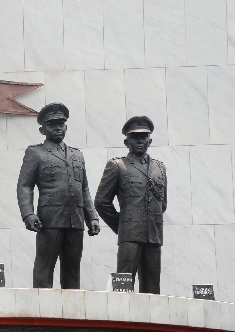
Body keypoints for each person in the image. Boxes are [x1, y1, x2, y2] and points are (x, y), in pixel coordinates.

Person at [16, 102, 100, 289]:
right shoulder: (35, 153)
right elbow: (24, 185)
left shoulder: (77, 155)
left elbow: (84, 188)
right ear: (42, 129)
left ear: (66, 127)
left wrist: (92, 216)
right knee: (44, 267)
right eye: (52, 125)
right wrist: (28, 214)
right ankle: (41, 311)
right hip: (49, 219)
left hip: (76, 220)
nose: (57, 128)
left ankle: (71, 314)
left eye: (61, 124)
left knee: (72, 269)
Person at [94, 116, 167, 294]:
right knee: (124, 283)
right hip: (130, 233)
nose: (140, 141)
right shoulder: (117, 165)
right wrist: (121, 225)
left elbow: (162, 203)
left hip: (154, 233)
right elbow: (101, 201)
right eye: (135, 137)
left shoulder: (160, 167)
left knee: (152, 286)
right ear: (127, 141)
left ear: (150, 140)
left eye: (144, 137)